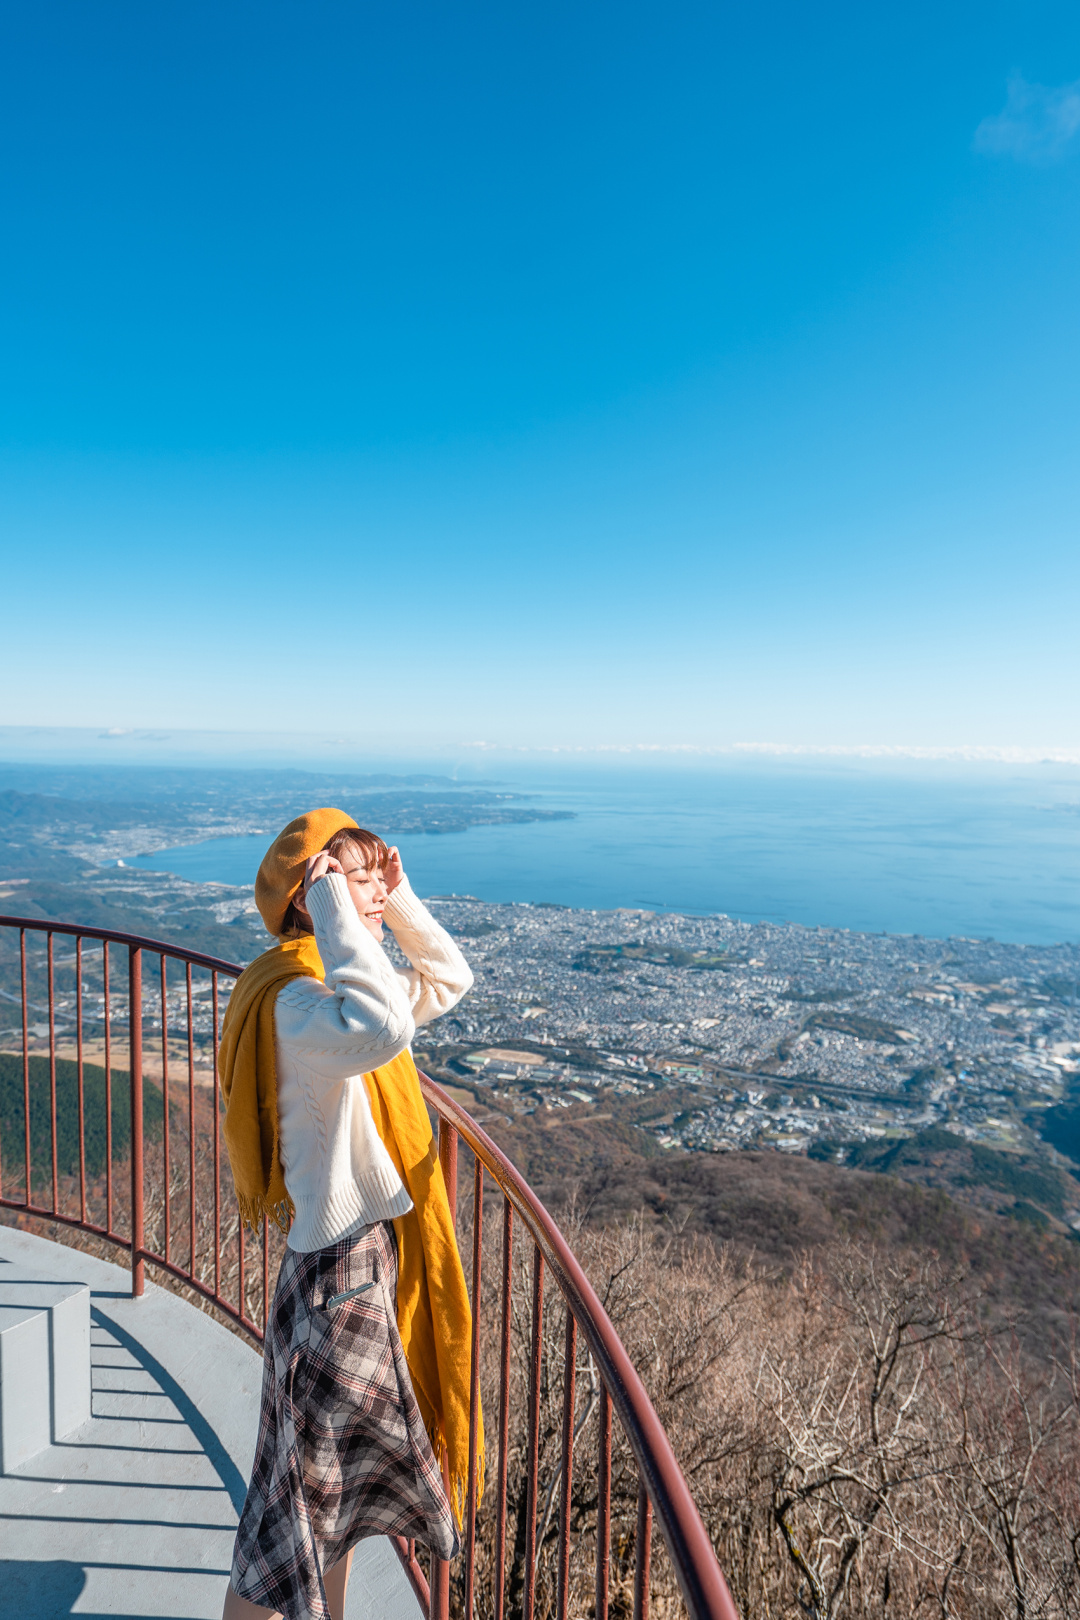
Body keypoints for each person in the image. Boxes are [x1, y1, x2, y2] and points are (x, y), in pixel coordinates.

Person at [218, 808, 480, 1620]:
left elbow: (448, 979)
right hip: (336, 1281)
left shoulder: (327, 993)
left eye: (373, 875)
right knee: (287, 1524)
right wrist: (338, 904)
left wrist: (395, 900)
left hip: (357, 1270)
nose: (371, 890)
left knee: (335, 1511)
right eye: (353, 876)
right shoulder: (301, 1007)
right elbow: (383, 1024)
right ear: (312, 896)